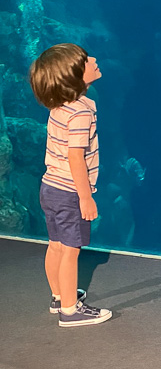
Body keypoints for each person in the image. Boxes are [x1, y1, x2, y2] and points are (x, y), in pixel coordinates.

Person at [29, 44, 112, 328]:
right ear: (72, 76)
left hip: (50, 187)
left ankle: (58, 296)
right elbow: (75, 157)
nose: (94, 59)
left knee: (56, 245)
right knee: (71, 249)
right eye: (87, 60)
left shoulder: (60, 106)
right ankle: (69, 309)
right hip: (69, 191)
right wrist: (85, 197)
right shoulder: (80, 113)